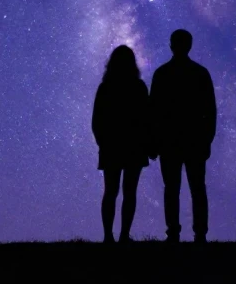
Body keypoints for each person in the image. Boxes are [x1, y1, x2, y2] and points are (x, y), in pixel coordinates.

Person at [149, 29, 217, 243]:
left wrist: (153, 141)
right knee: (197, 188)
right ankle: (199, 233)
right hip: (194, 140)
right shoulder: (200, 73)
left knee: (173, 189)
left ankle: (174, 233)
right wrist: (207, 139)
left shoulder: (162, 74)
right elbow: (210, 111)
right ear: (189, 45)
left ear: (172, 45)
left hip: (170, 141)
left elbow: (153, 112)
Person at [91, 45, 151, 243]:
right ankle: (124, 235)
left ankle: (109, 236)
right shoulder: (139, 87)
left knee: (110, 191)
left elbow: (96, 121)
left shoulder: (105, 87)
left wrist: (103, 142)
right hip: (134, 146)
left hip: (111, 146)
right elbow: (147, 119)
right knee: (129, 192)